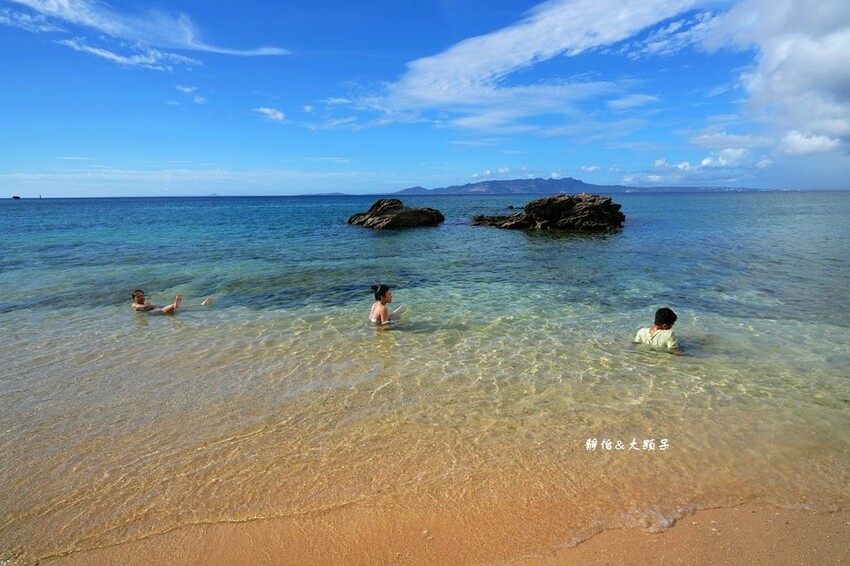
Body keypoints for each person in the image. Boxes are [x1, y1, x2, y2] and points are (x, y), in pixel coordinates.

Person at [131, 289, 212, 314]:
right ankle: (174, 305)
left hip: (153, 309)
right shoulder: (134, 304)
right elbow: (141, 307)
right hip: (150, 314)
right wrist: (152, 306)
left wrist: (152, 306)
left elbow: (146, 306)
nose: (141, 297)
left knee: (177, 308)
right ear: (134, 298)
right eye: (138, 296)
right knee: (162, 310)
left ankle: (201, 305)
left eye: (142, 296)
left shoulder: (146, 303)